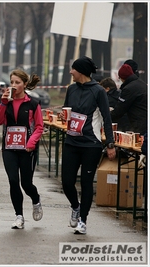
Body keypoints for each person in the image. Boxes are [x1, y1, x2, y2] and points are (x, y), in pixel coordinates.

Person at [60, 56, 116, 235]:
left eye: (73, 69)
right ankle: (75, 207)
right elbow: (67, 109)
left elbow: (107, 119)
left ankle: (83, 220)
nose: (70, 72)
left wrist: (110, 143)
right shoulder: (71, 89)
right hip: (71, 141)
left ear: (81, 71)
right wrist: (64, 117)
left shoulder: (99, 91)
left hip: (91, 144)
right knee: (67, 182)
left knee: (86, 183)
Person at [0, 69, 44, 229]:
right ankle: (19, 216)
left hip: (27, 150)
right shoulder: (6, 102)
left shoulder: (33, 104)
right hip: (9, 148)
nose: (14, 85)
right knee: (13, 181)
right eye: (12, 82)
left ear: (24, 85)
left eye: (17, 82)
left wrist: (31, 143)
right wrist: (3, 103)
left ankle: (36, 200)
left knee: (26, 184)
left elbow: (39, 127)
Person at [110, 63, 147, 135]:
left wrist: (107, 117)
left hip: (138, 124)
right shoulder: (142, 84)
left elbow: (120, 110)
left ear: (122, 78)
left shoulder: (128, 89)